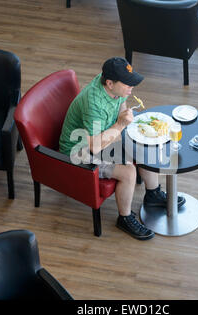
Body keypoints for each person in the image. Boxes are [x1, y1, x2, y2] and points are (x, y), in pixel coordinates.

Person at [59, 57, 185, 240]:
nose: (131, 87)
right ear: (110, 83)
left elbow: (121, 103)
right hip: (79, 149)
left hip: (103, 134)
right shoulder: (94, 104)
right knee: (128, 172)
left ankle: (153, 194)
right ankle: (124, 218)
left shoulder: (112, 84)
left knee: (144, 145)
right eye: (128, 84)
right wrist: (119, 126)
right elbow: (94, 146)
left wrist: (123, 118)